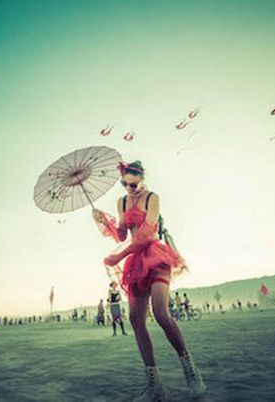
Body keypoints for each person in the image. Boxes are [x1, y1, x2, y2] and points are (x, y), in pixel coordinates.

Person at [97, 160, 206, 400]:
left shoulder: (152, 198)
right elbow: (124, 235)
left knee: (160, 312)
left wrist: (120, 255)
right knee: (135, 318)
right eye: (125, 184)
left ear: (142, 178)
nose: (129, 187)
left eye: (133, 183)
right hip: (135, 261)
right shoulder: (122, 202)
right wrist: (106, 223)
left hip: (155, 255)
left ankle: (192, 373)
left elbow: (147, 233)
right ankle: (156, 387)